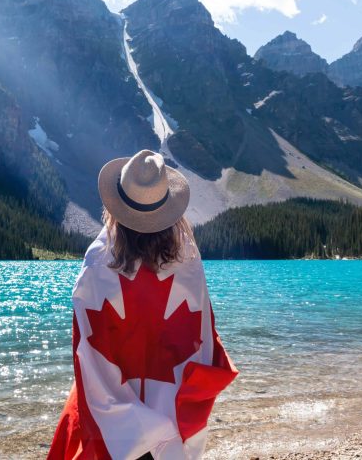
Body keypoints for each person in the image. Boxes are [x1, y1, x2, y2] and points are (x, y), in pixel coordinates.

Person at [48, 150, 237, 460]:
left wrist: (119, 415)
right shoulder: (187, 258)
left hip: (116, 410)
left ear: (116, 208)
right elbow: (203, 333)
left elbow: (86, 346)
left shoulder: (99, 261)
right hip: (173, 405)